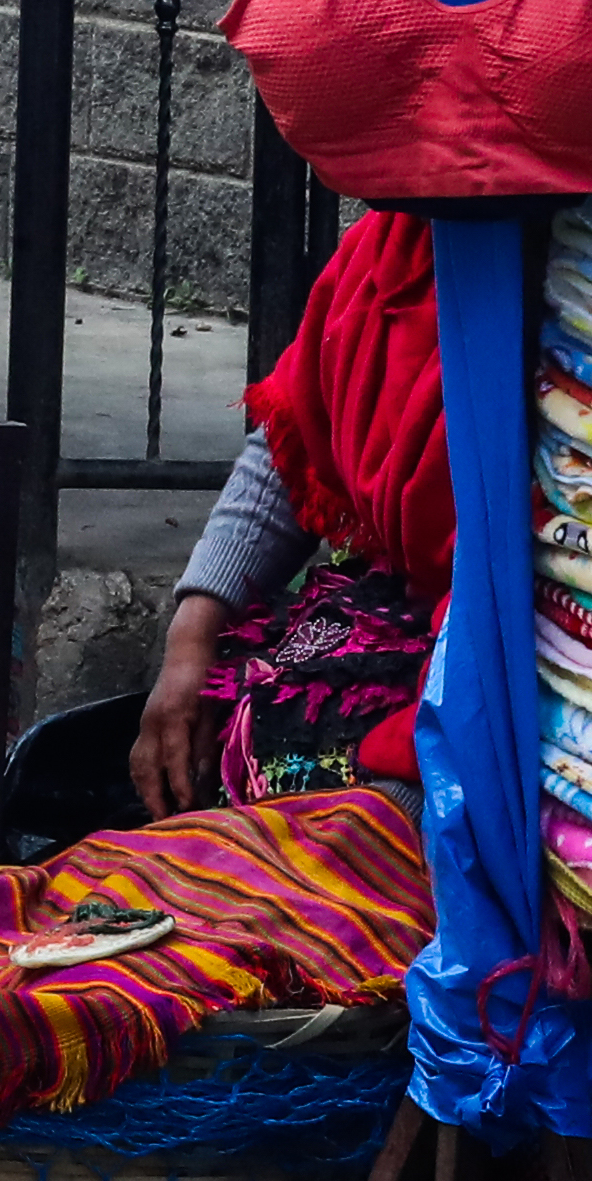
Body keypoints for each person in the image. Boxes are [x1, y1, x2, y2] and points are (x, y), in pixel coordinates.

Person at [137, 212, 444, 816]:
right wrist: (192, 635)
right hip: (383, 611)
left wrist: (402, 808)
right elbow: (294, 438)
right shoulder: (382, 252)